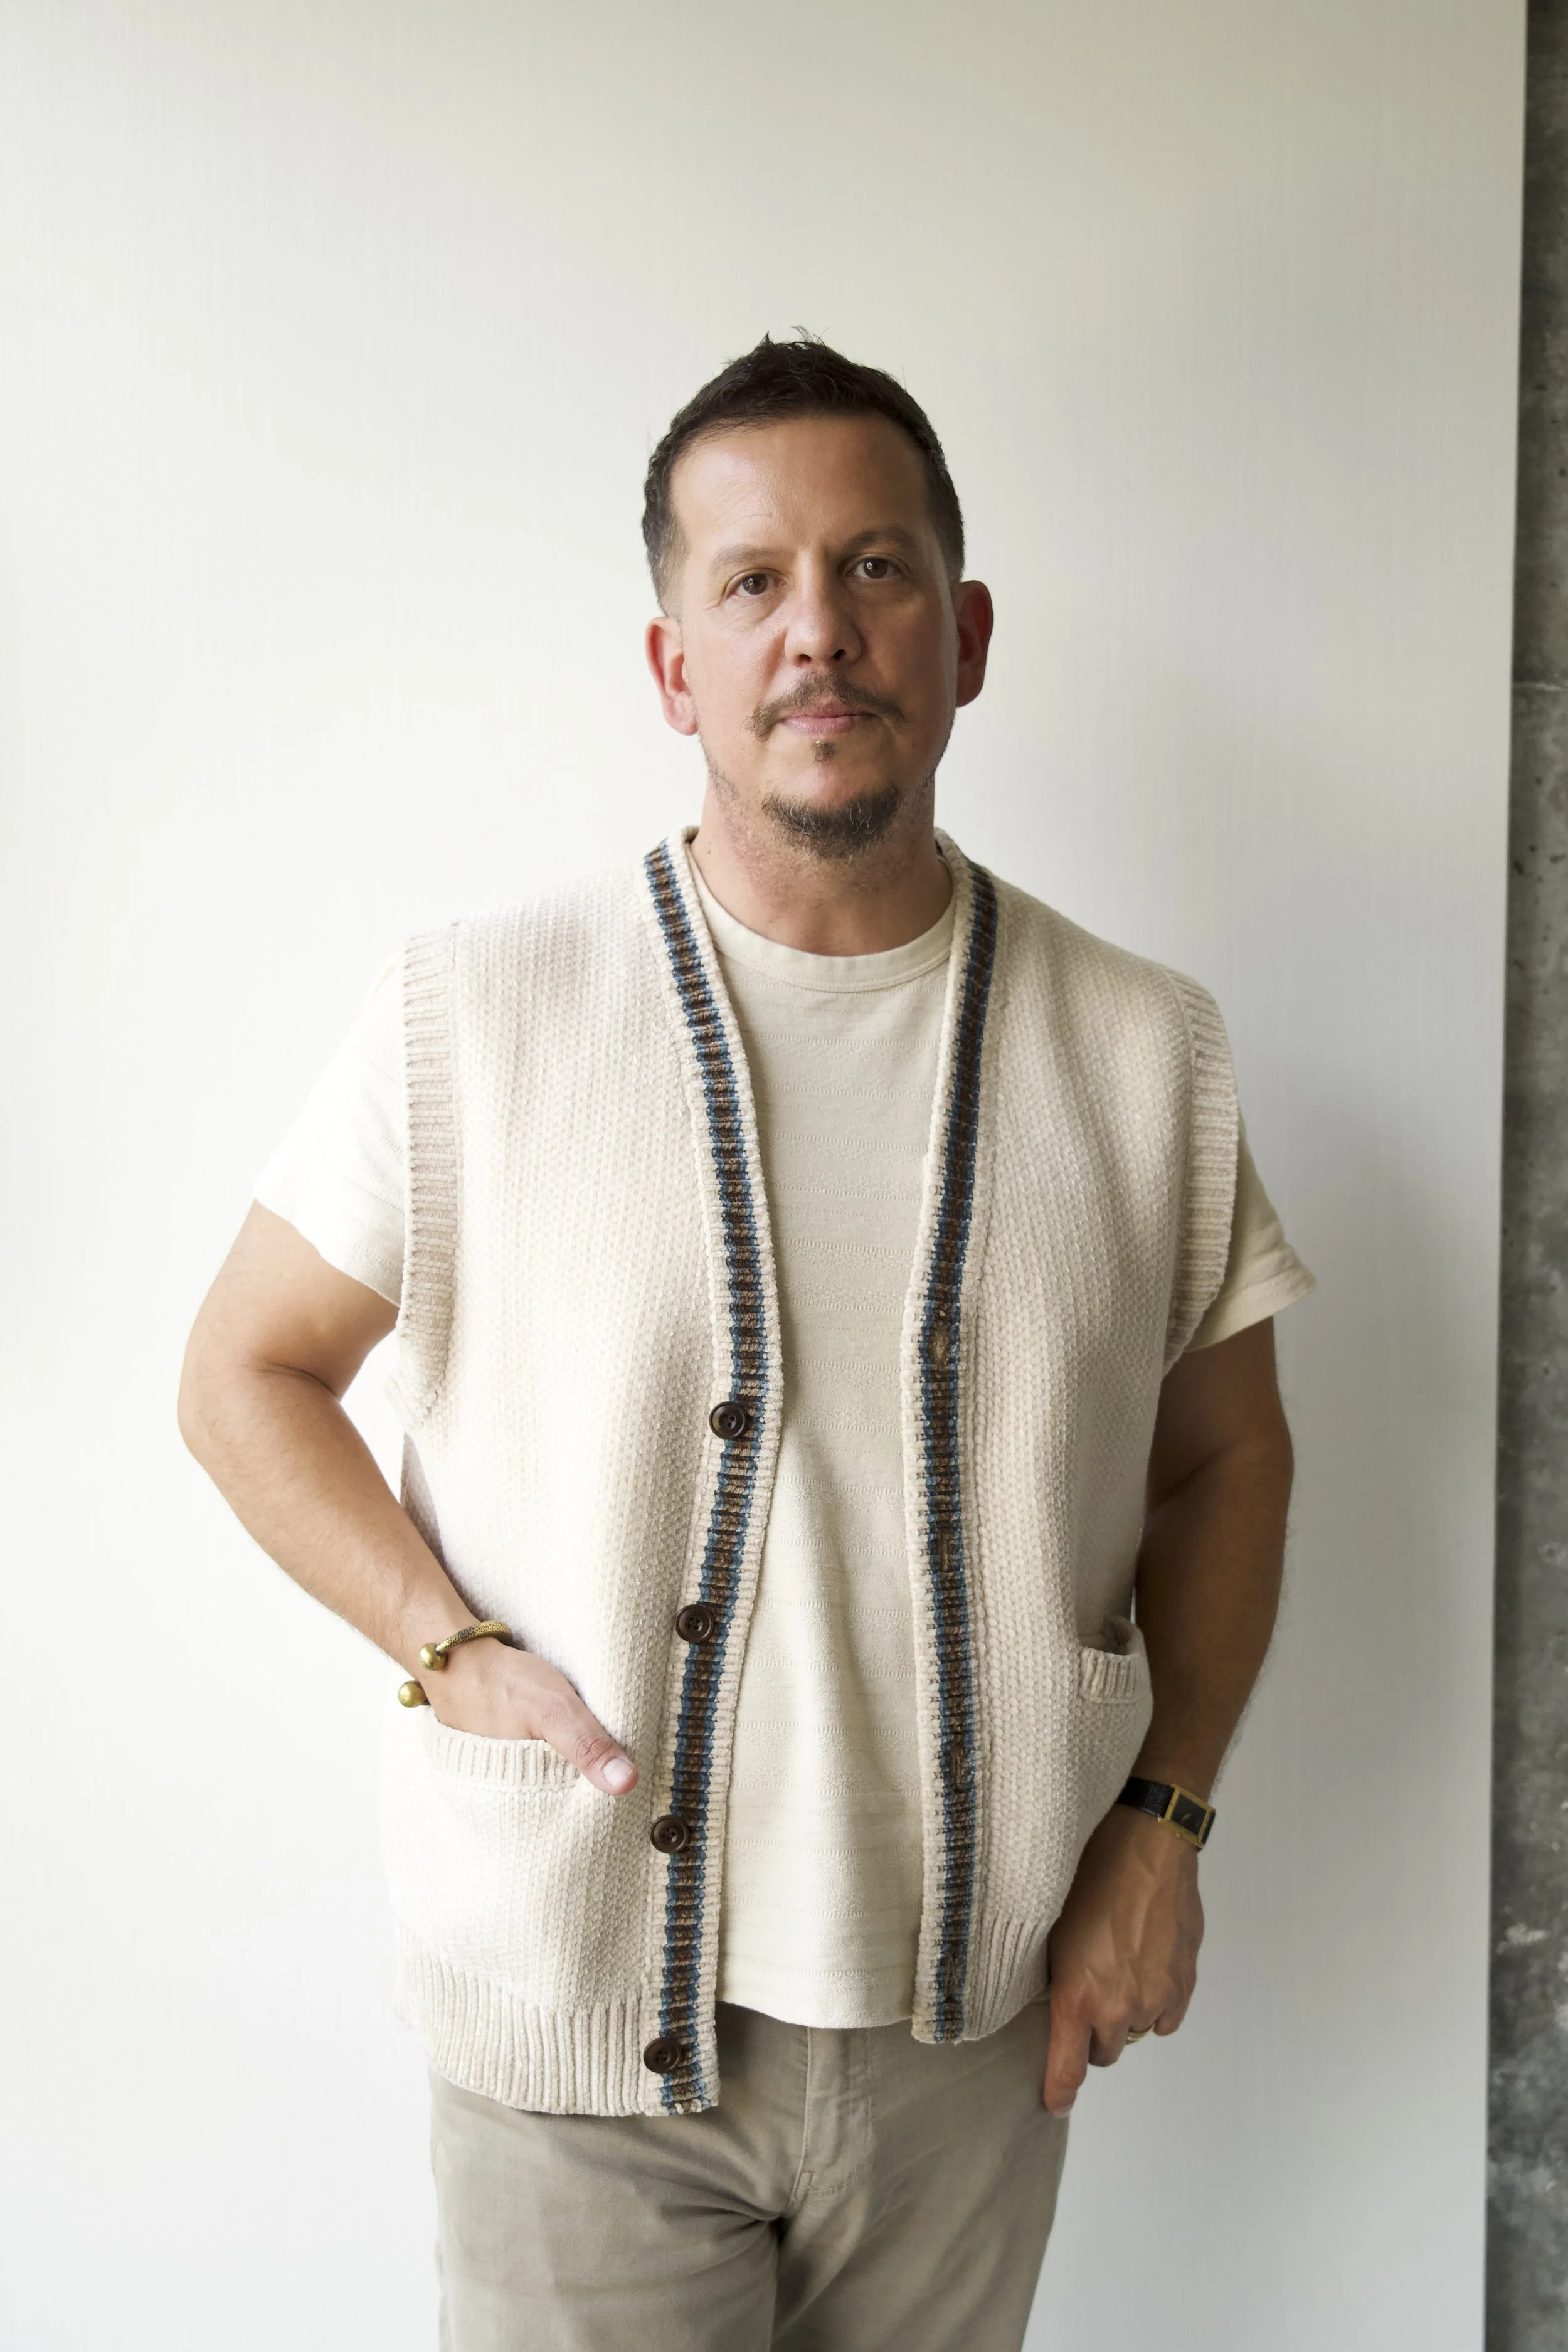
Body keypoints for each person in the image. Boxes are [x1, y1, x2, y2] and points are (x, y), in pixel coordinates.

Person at [179, 334, 1313, 2352]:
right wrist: (447, 1648)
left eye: (875, 572)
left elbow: (1226, 1454)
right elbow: (242, 1371)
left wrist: (1169, 1812)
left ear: (963, 636)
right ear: (672, 664)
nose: (820, 633)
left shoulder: (1146, 1048)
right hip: (575, 2024)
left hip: (967, 2028)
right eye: (752, 581)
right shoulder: (476, 1012)